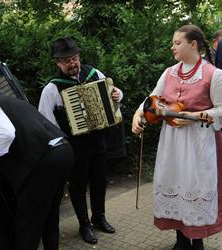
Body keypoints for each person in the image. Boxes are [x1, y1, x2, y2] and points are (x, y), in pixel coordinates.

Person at [132, 24, 222, 250]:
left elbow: (221, 110)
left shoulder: (214, 74)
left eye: (177, 42)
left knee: (195, 186)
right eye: (173, 42)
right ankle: (181, 239)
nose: (172, 46)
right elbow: (152, 99)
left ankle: (198, 240)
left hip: (200, 144)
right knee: (174, 182)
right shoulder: (169, 72)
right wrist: (138, 114)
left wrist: (193, 115)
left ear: (193, 44)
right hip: (172, 142)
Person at [0, 86, 74, 250]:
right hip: (63, 151)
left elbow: (6, 133)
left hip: (45, 160)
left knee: (27, 224)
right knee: (49, 218)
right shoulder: (5, 101)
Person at [38, 37, 123, 244]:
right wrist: (62, 142)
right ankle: (84, 225)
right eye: (66, 61)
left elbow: (115, 94)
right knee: (77, 186)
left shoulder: (94, 74)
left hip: (98, 141)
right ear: (58, 63)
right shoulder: (52, 88)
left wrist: (118, 95)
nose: (72, 63)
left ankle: (99, 218)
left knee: (99, 181)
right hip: (74, 147)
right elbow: (45, 121)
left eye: (74, 58)